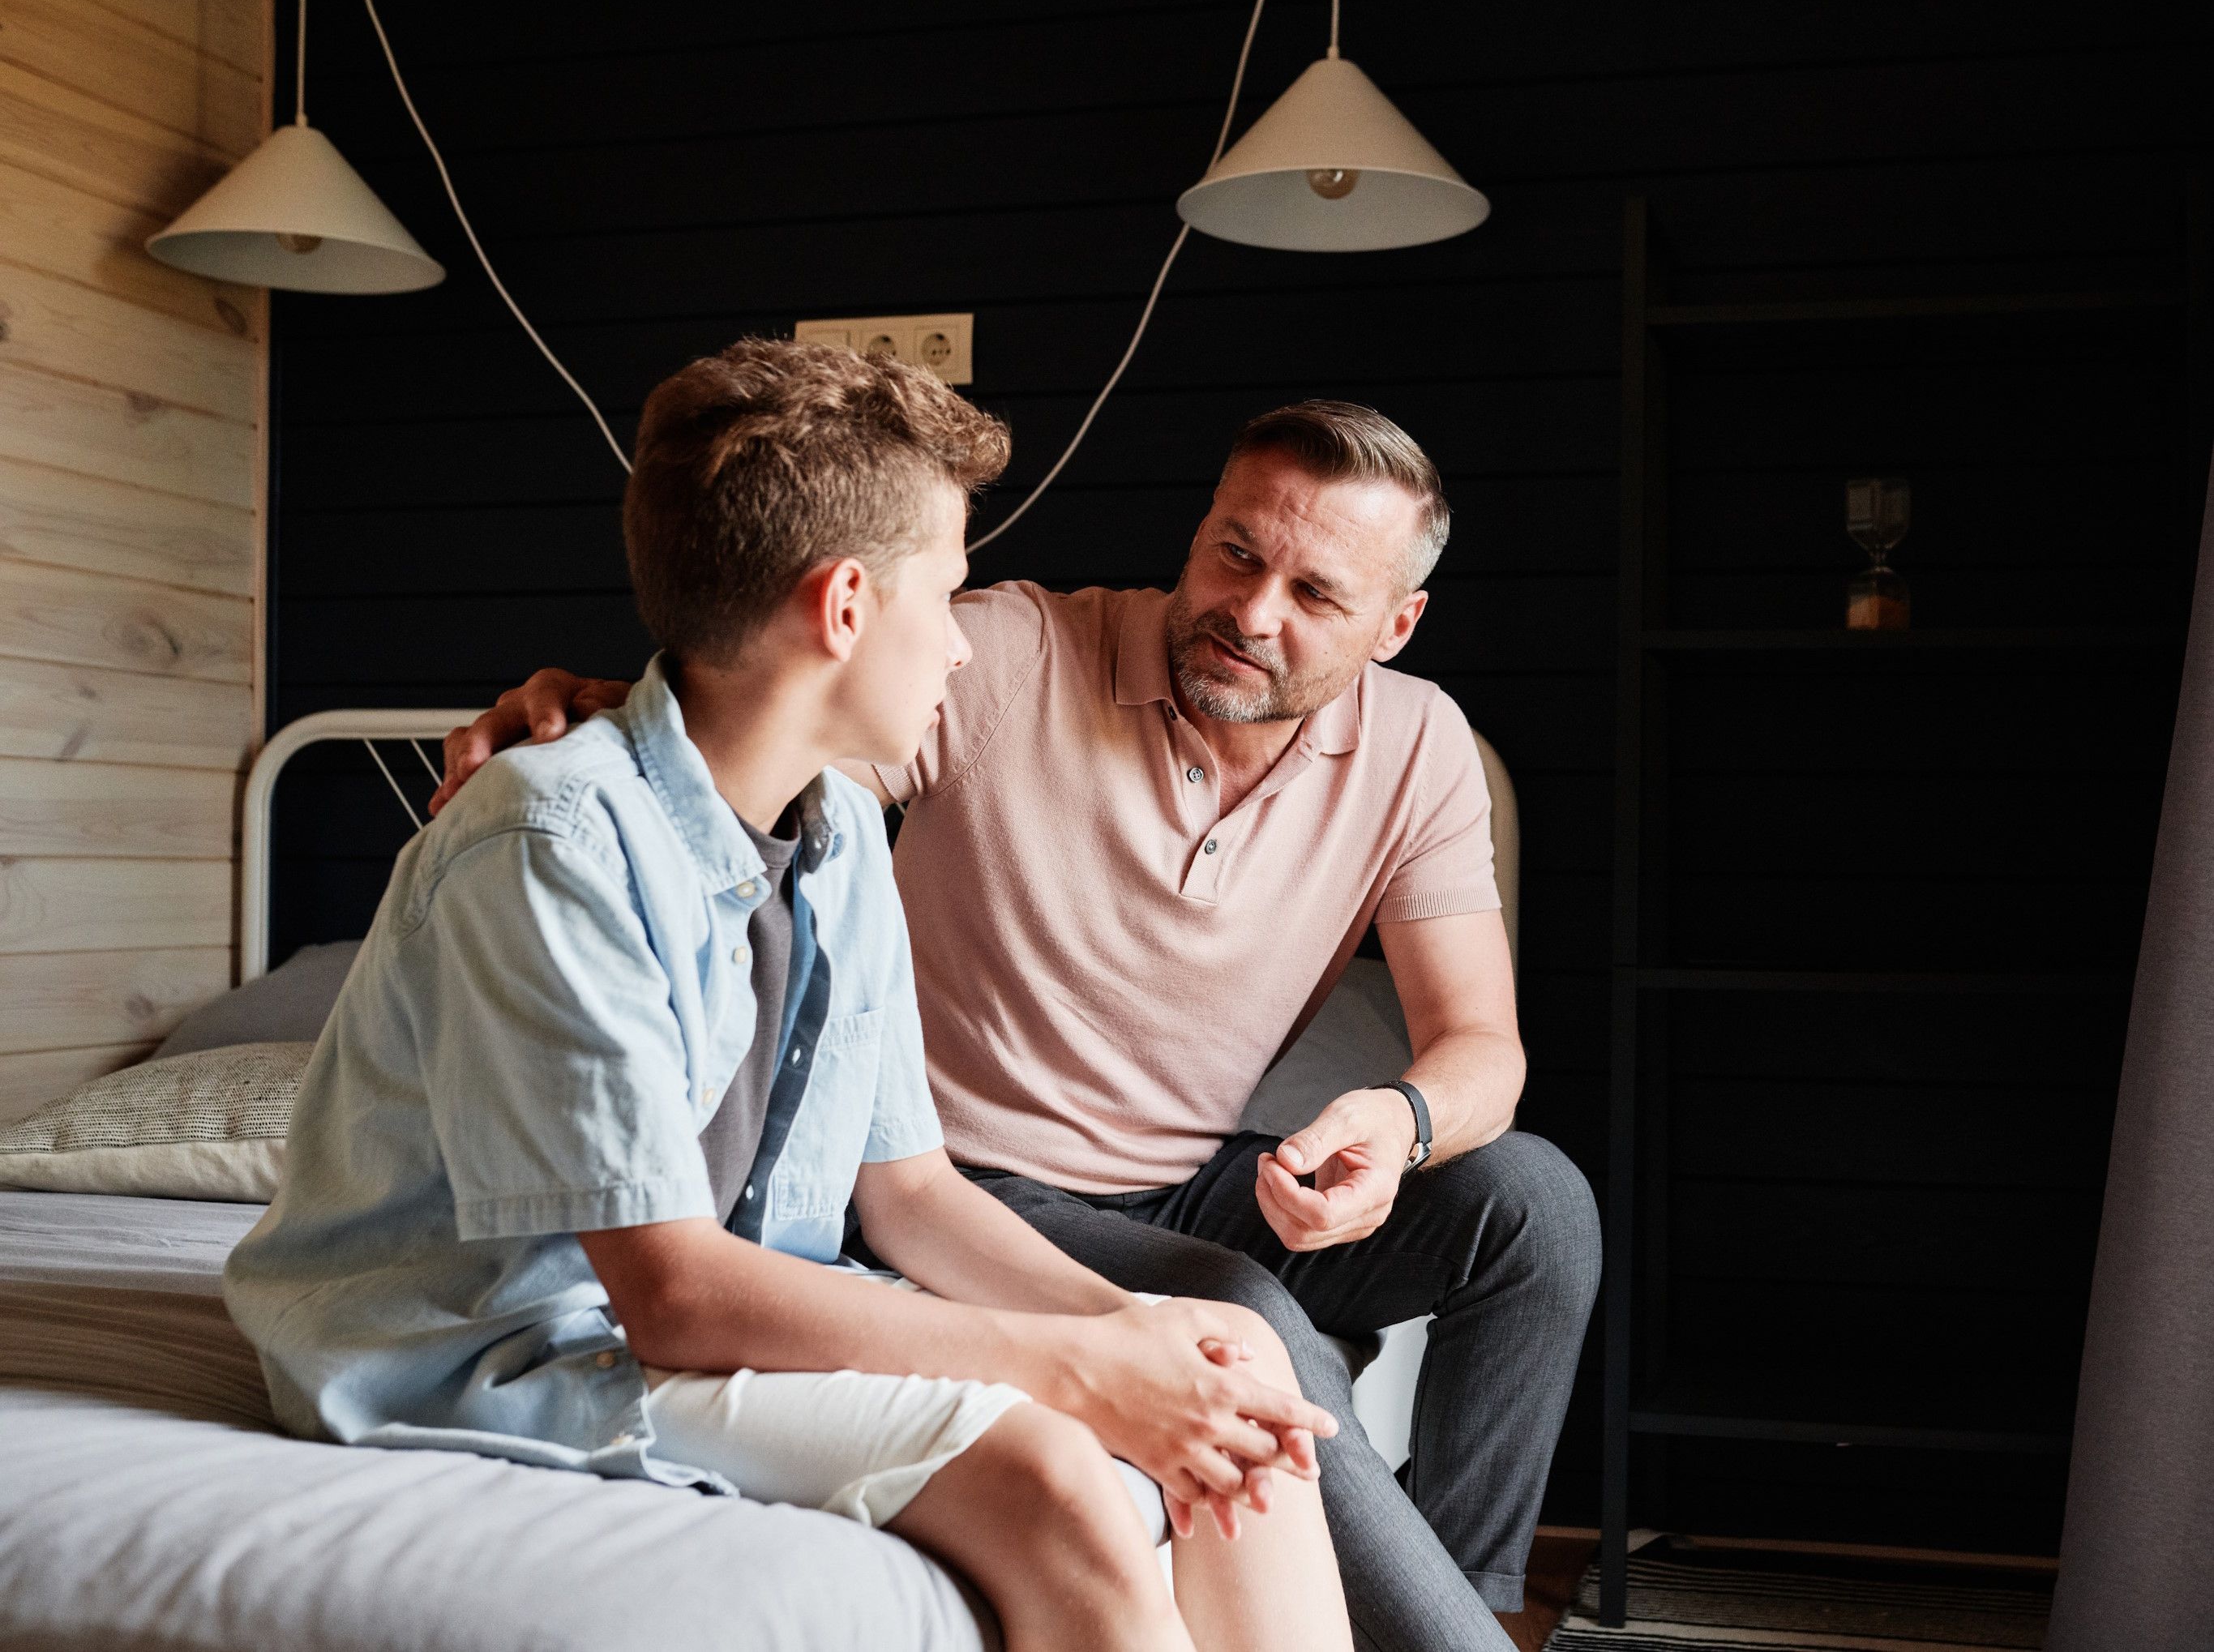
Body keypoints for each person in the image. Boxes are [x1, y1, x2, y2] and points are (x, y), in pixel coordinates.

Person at [227, 339, 1356, 1652]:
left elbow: (911, 1194)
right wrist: (1071, 1368)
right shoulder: (549, 841)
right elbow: (675, 1297)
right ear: (845, 607)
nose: (961, 648)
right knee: (1053, 1479)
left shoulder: (838, 835)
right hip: (511, 1352)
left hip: (711, 1318)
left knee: (1235, 1352)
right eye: (949, 595)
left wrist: (1143, 1336)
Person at [440, 398, 1602, 1652]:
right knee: (1250, 1327)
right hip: (979, 1186)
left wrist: (1399, 1118)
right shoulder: (998, 658)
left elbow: (1485, 1045)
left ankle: (1470, 1603)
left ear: (1395, 627)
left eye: (1315, 594)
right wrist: (620, 714)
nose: (1253, 611)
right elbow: (767, 739)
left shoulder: (1420, 744)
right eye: (1234, 552)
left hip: (1187, 1179)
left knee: (1533, 1207)